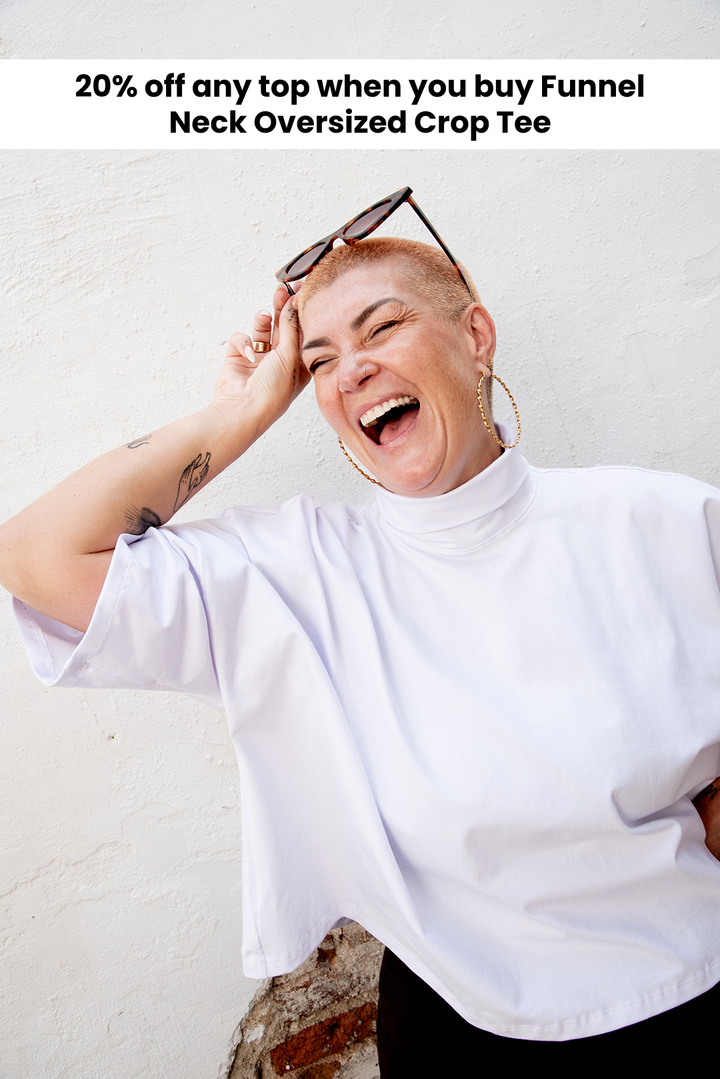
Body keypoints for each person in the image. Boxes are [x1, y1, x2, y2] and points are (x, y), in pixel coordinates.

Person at [2, 187, 720, 1072]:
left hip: (696, 989)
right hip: (463, 1024)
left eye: (380, 329)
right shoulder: (295, 573)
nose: (352, 370)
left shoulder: (664, 518)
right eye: (320, 359)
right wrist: (245, 411)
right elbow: (36, 553)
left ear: (476, 335)